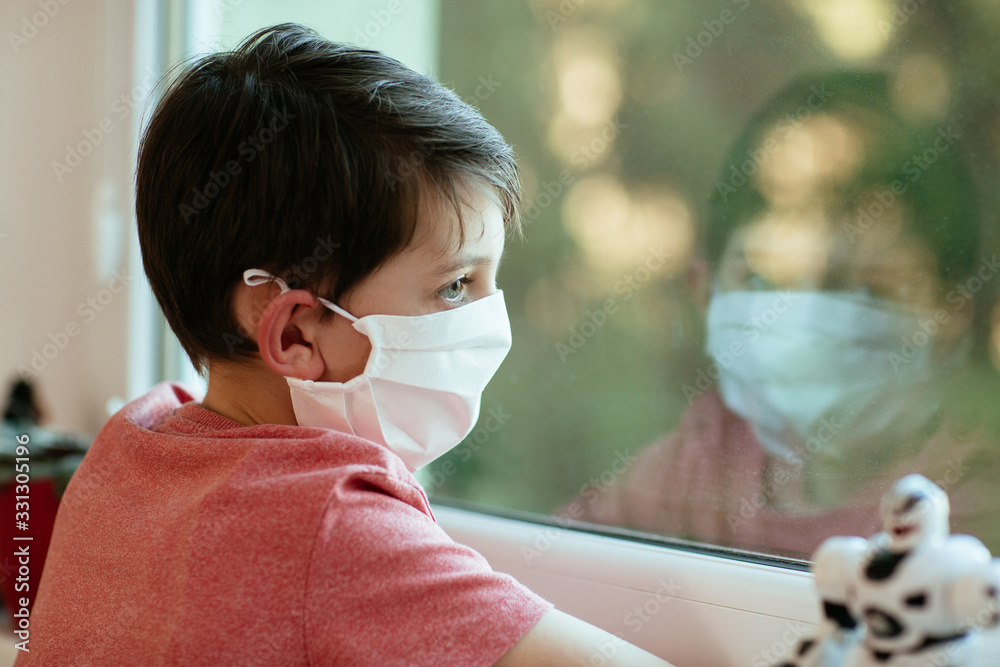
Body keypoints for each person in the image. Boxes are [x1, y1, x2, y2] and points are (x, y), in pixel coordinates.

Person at [20, 24, 674, 667]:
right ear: (296, 332)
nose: (489, 319)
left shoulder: (133, 445)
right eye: (454, 286)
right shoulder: (331, 524)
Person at [568, 70, 1000, 561]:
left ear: (952, 317)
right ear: (706, 292)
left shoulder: (967, 506)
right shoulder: (698, 462)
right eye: (765, 282)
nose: (810, 319)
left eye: (871, 289)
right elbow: (553, 580)